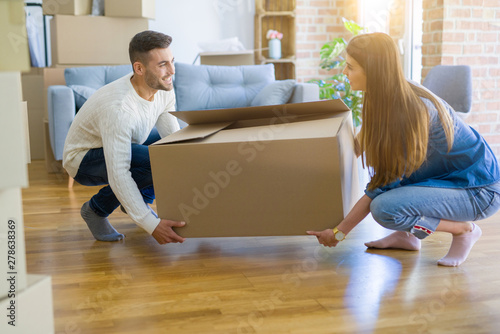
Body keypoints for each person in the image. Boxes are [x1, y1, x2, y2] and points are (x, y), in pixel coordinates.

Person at [307, 32, 500, 267]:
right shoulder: (383, 95)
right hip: (448, 178)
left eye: (350, 67)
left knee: (385, 208)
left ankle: (463, 230)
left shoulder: (411, 111)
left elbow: (383, 184)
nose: (344, 73)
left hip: (478, 191)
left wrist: (339, 233)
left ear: (373, 71)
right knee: (394, 187)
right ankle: (406, 236)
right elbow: (358, 146)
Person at [63, 30, 186, 245]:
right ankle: (95, 210)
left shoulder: (163, 87)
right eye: (163, 64)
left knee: (169, 153)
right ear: (139, 68)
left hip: (123, 144)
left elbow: (173, 138)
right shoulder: (119, 109)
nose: (172, 71)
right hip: (83, 159)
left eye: (172, 62)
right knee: (155, 163)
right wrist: (151, 224)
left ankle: (138, 201)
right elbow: (119, 172)